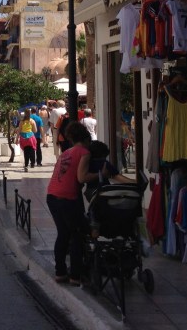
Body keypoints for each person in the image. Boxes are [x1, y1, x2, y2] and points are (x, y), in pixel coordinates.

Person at [46, 121, 104, 284]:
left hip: (52, 195)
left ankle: (60, 272)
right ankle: (76, 276)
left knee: (63, 234)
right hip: (68, 198)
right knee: (77, 234)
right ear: (86, 139)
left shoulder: (66, 152)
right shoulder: (84, 152)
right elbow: (81, 178)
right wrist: (101, 173)